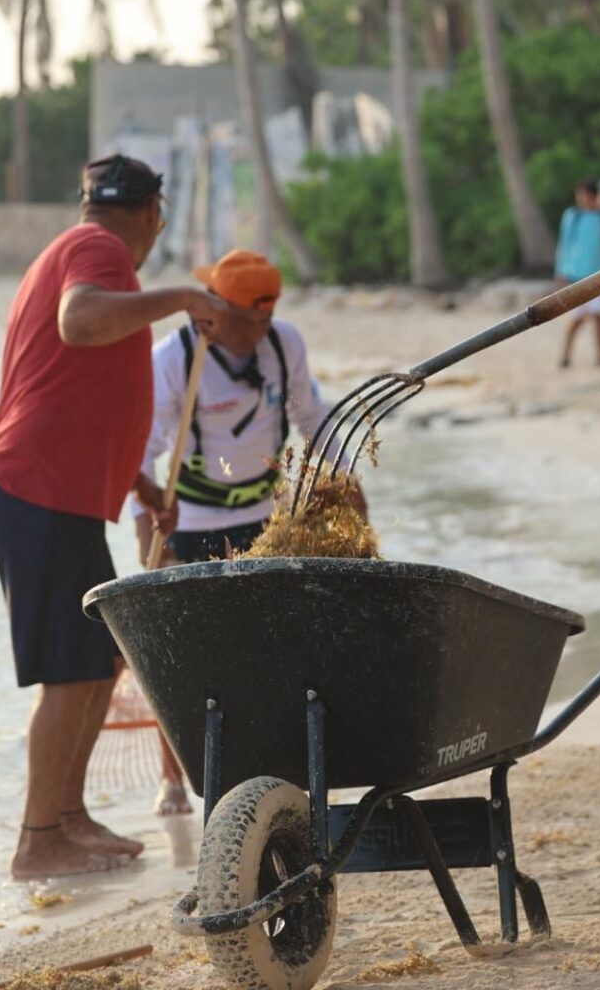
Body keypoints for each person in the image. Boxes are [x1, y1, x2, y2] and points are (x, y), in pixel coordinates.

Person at [0, 153, 227, 879]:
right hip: (36, 489)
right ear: (154, 213)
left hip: (61, 493)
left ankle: (67, 816)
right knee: (69, 670)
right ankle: (36, 838)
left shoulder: (86, 250)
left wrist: (142, 488)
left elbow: (76, 392)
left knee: (98, 661)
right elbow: (80, 325)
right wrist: (182, 294)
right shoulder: (98, 250)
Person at [132, 249, 337, 815]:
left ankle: (265, 767)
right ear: (214, 309)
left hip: (263, 518)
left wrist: (341, 476)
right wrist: (145, 526)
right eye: (246, 320)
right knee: (175, 659)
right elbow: (139, 453)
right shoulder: (174, 360)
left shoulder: (283, 344)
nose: (257, 332)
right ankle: (173, 779)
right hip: (189, 521)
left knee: (266, 650)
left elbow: (311, 418)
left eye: (266, 319)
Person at [558, 178, 600, 368]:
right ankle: (566, 354)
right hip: (576, 275)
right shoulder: (572, 216)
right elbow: (564, 244)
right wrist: (560, 271)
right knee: (576, 318)